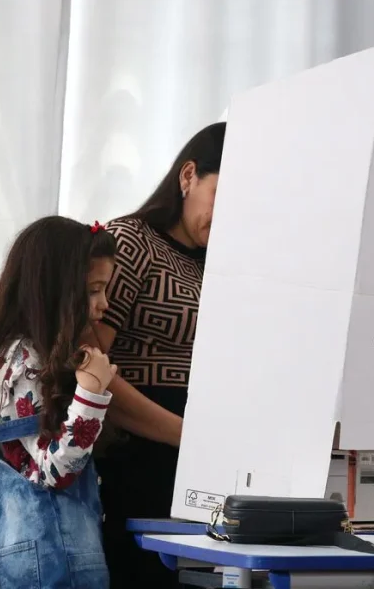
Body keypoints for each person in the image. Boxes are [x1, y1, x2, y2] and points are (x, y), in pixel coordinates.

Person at [91, 122, 226, 589]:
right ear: (188, 176)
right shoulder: (131, 241)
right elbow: (88, 362)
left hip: (199, 454)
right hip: (143, 452)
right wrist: (180, 433)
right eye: (221, 196)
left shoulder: (217, 263)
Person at [0, 216, 118, 589]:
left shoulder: (22, 356)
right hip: (54, 556)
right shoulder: (23, 361)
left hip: (54, 554)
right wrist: (91, 392)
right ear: (54, 290)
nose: (104, 303)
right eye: (94, 290)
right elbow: (51, 471)